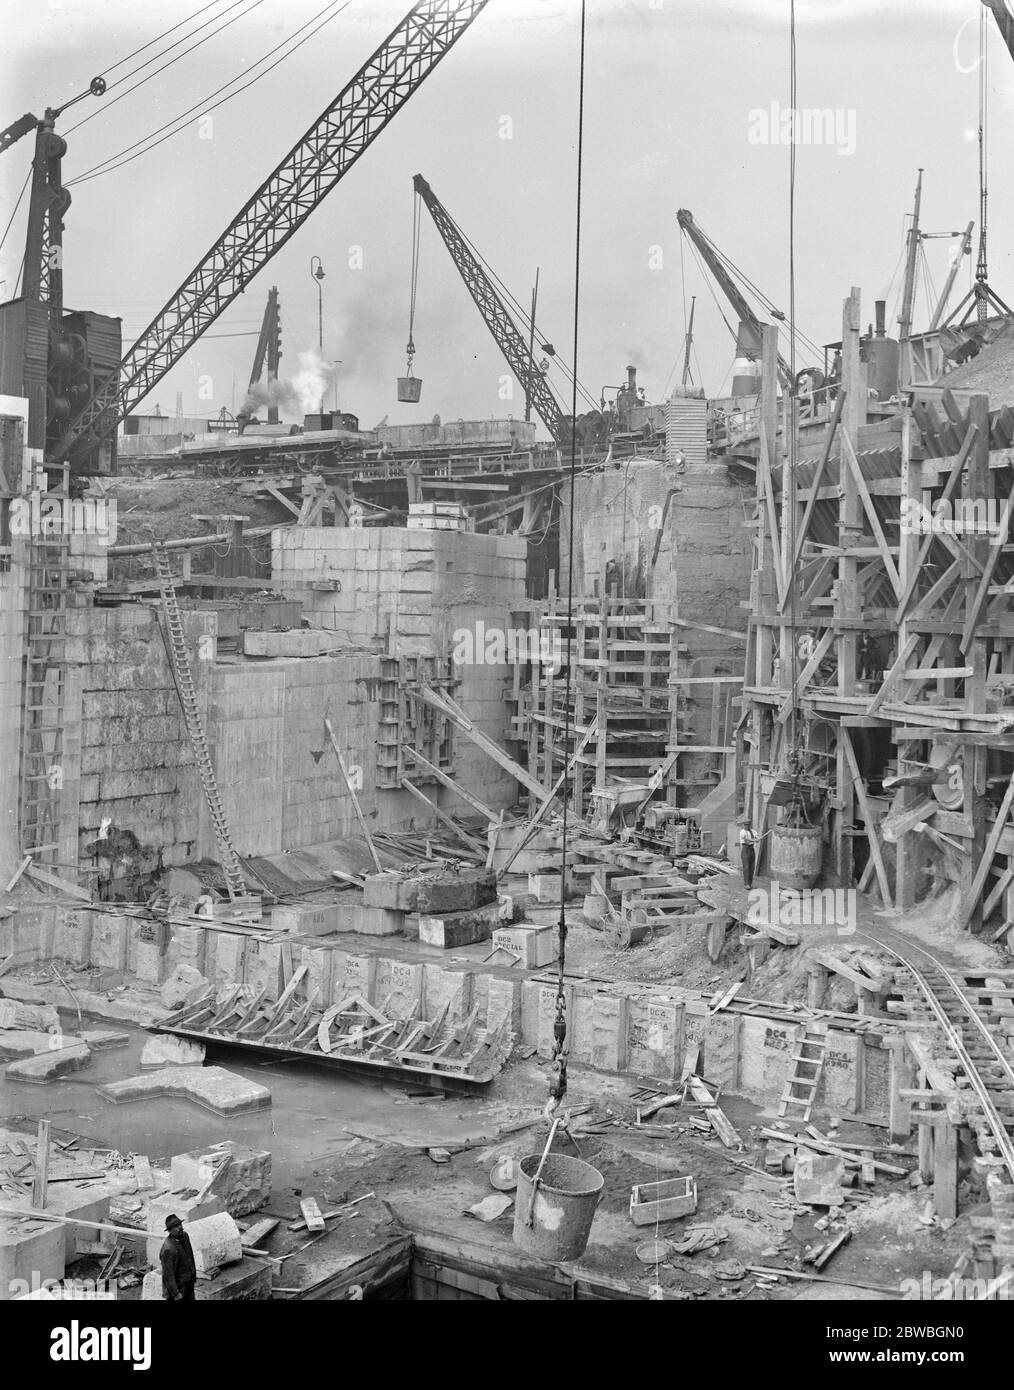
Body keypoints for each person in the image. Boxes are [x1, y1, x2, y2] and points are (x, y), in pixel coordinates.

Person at [160, 1214, 196, 1302]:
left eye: (179, 1224)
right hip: (178, 1289)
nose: (179, 1227)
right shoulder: (168, 1249)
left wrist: (193, 1276)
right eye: (175, 1226)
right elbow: (168, 1275)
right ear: (169, 1231)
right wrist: (176, 1294)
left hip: (188, 1283)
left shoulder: (185, 1236)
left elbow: (190, 1256)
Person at [739, 822, 759, 890]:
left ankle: (750, 884)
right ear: (743, 825)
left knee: (752, 867)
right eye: (745, 825)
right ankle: (746, 884)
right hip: (745, 849)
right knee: (746, 867)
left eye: (747, 825)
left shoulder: (753, 831)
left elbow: (757, 837)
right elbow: (746, 839)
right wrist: (754, 840)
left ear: (749, 825)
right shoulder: (742, 832)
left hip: (751, 849)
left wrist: (758, 838)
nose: (746, 826)